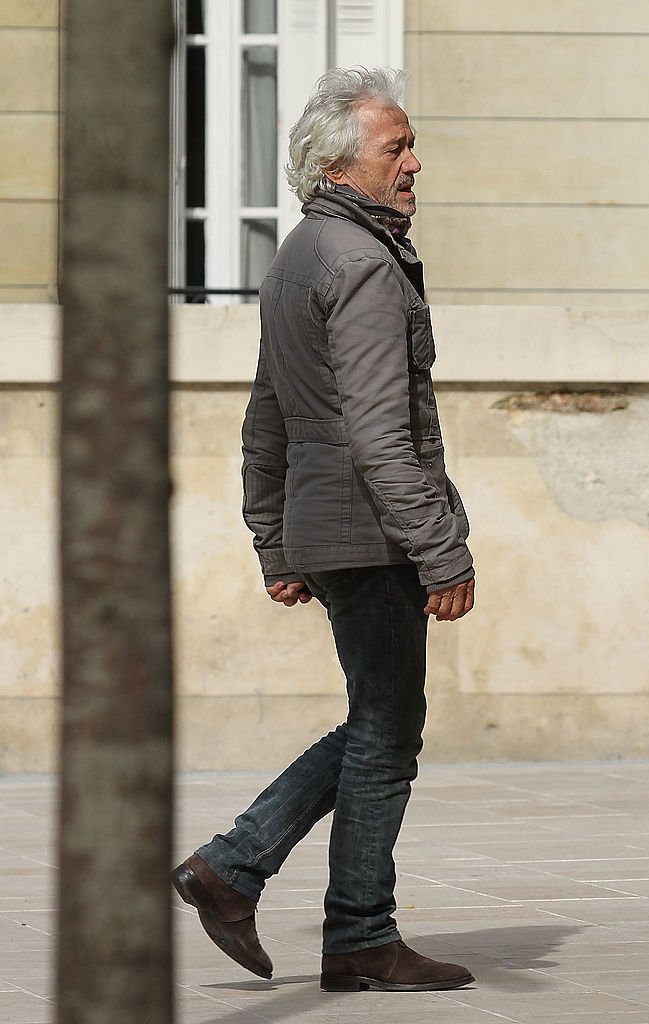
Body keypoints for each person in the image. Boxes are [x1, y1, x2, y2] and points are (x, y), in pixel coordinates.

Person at [172, 67, 476, 993]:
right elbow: (384, 437)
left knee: (377, 724)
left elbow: (265, 416)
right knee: (387, 733)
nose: (415, 162)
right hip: (376, 533)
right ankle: (316, 911)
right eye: (398, 147)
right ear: (344, 163)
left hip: (330, 528)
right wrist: (443, 550)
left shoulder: (302, 253)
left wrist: (275, 538)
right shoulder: (364, 267)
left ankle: (285, 896)